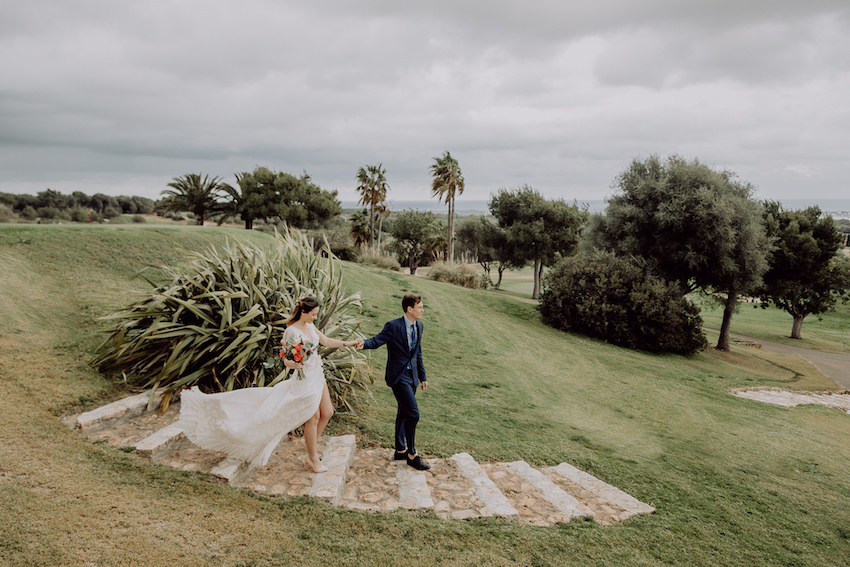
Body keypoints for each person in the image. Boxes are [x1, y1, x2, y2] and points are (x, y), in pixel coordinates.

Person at [180, 297, 359, 472]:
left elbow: (326, 341)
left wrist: (349, 343)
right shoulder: (291, 331)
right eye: (313, 314)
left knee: (327, 412)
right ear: (303, 312)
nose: (315, 318)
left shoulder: (311, 326)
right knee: (312, 418)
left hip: (316, 375)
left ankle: (310, 448)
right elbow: (286, 360)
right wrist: (294, 363)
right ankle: (312, 458)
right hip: (303, 380)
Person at [357, 294, 430, 470]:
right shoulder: (393, 326)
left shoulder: (419, 325)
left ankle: (400, 450)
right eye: (419, 307)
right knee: (413, 414)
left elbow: (417, 353)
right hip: (398, 376)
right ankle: (412, 454)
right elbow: (376, 341)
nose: (422, 310)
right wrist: (363, 343)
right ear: (409, 309)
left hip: (412, 377)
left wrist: (422, 376)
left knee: (404, 412)